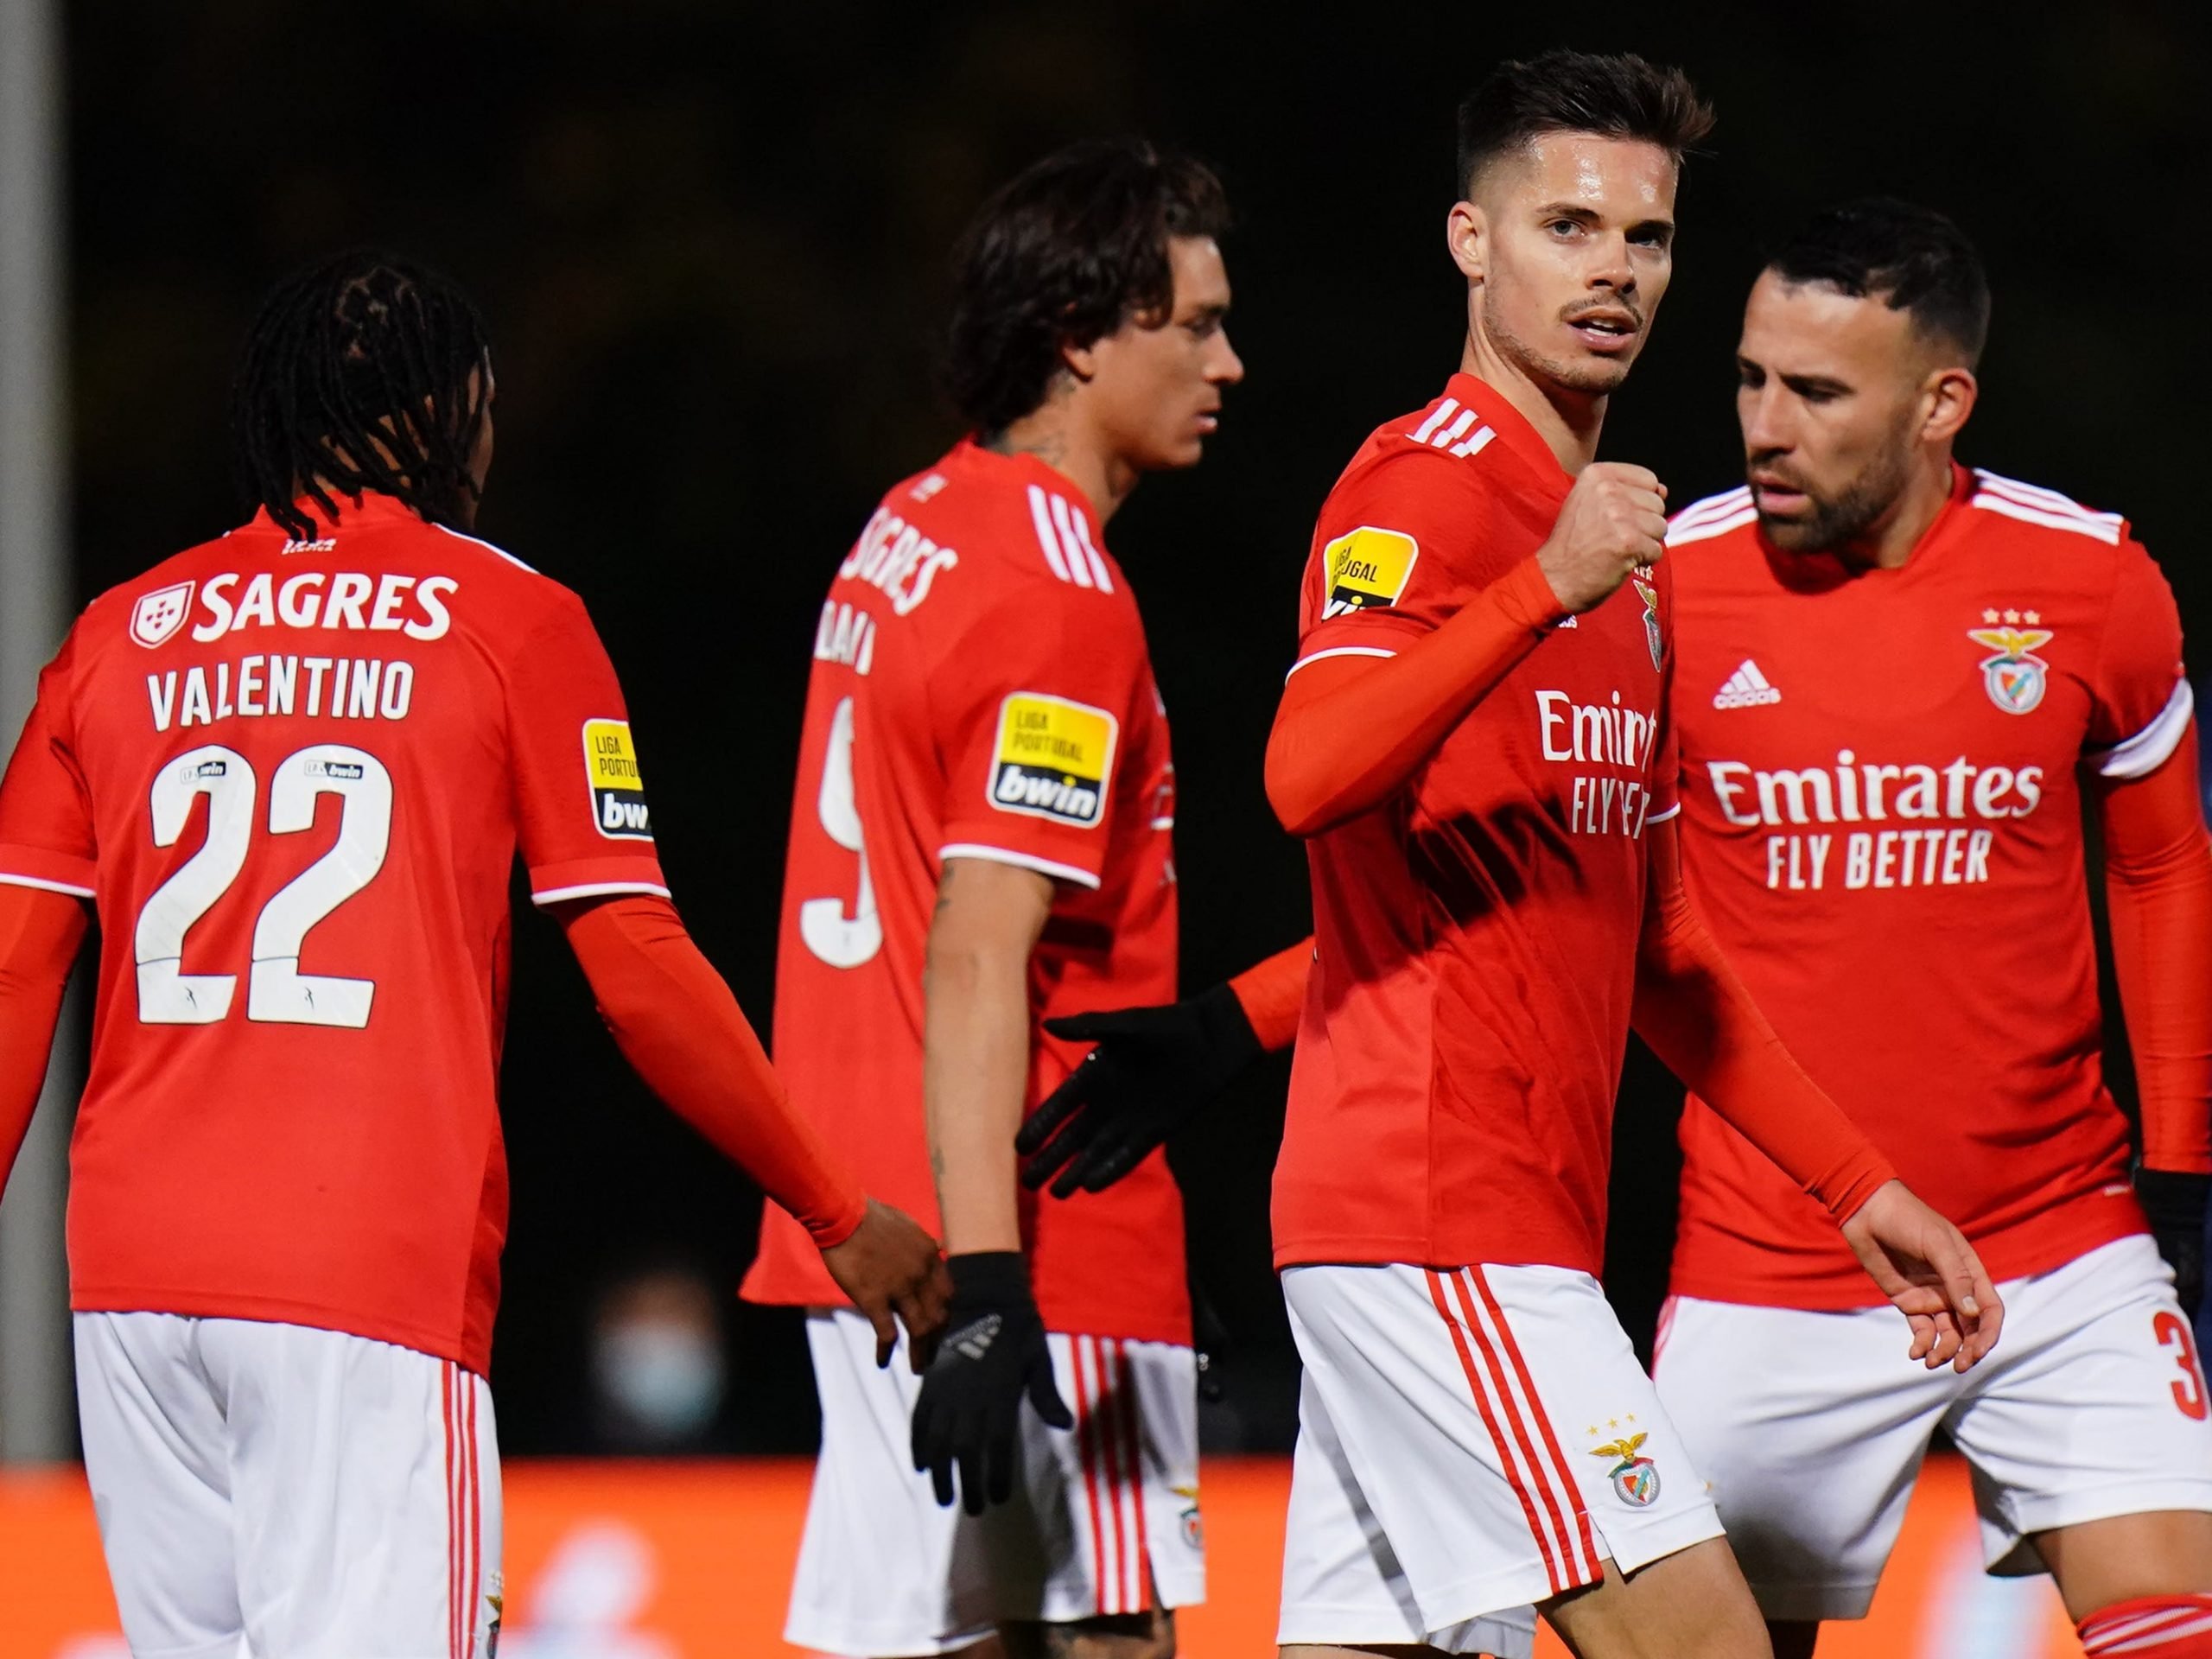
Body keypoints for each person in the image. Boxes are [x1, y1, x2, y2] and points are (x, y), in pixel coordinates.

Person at [1018, 52, 2003, 1659]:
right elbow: (1304, 775)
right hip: (1435, 1215)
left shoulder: (1625, 554)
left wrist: (1857, 1188)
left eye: (1649, 236)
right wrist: (1536, 585)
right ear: (1472, 241)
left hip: (1471, 1228)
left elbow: (1662, 958)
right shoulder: (1426, 490)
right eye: (1567, 224)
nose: (1614, 267)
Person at [0, 251, 949, 1659]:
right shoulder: (509, 617)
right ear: (436, 415)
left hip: (133, 1285)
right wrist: (831, 1203)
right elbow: (632, 956)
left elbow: (18, 969)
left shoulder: (117, 634)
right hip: (361, 1275)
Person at [1645, 200, 2212, 1659]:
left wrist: (2183, 1168)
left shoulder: (2092, 585)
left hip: (2057, 1240)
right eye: (1750, 377)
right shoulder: (1662, 596)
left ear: (1941, 402)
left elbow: (2162, 872)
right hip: (1773, 1261)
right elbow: (1557, 914)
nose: (1765, 425)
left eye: (1818, 392)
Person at [738, 140, 1243, 1658]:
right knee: (1104, 1641)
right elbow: (979, 953)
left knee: (949, 1640)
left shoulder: (911, 522)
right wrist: (999, 1284)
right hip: (1011, 1214)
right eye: (1196, 322)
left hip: (872, 1207)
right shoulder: (1058, 592)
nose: (1230, 360)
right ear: (1085, 334)